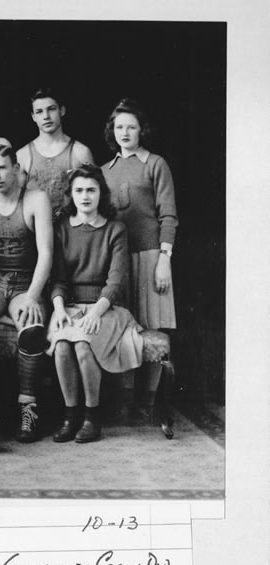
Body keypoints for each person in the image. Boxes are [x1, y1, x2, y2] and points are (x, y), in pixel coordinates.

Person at [47, 165, 143, 443]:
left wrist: (96, 312)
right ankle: (71, 415)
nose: (85, 196)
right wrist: (59, 309)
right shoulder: (62, 229)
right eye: (79, 190)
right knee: (62, 346)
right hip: (70, 305)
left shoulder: (115, 229)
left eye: (91, 189)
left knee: (83, 343)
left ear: (101, 193)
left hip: (107, 308)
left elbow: (115, 282)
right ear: (71, 195)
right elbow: (58, 279)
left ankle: (92, 417)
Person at [0, 144, 53, 442]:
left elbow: (46, 253)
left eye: (2, 168)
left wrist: (32, 295)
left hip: (24, 284)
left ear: (16, 169)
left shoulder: (36, 200)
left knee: (31, 331)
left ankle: (28, 409)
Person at [101, 98, 178, 420]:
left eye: (131, 126)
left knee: (152, 329)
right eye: (119, 127)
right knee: (124, 329)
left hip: (150, 258)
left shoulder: (155, 164)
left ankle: (147, 401)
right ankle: (125, 398)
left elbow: (169, 216)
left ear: (141, 129)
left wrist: (164, 259)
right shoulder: (105, 171)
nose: (125, 132)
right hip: (118, 261)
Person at [16, 88, 94, 215]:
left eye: (51, 109)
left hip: (71, 229)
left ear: (62, 110)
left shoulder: (80, 152)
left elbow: (94, 197)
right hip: (35, 230)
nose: (46, 116)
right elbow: (16, 204)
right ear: (33, 117)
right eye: (39, 112)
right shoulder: (22, 156)